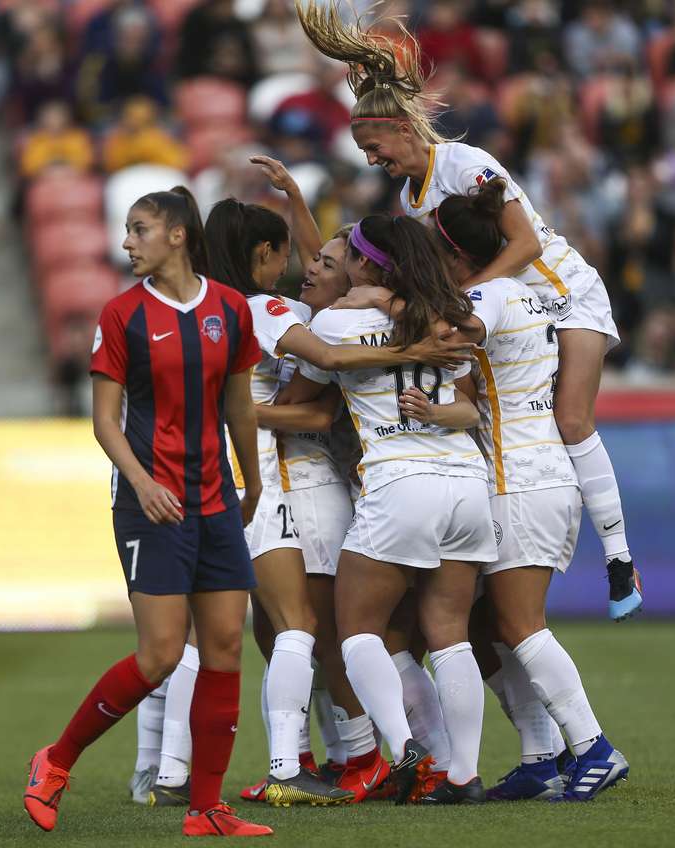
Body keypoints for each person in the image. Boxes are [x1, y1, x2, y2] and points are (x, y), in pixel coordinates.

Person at [295, 0, 642, 620]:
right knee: (488, 412)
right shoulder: (409, 197)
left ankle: (618, 557)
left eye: (375, 147)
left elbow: (527, 244)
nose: (373, 160)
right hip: (507, 304)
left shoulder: (467, 164)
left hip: (562, 291)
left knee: (570, 420)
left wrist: (472, 297)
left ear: (403, 129)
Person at [176, 181, 472, 808]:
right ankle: (350, 758)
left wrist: (240, 414)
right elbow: (335, 284)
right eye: (292, 255)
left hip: (301, 484)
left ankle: (353, 756)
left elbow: (316, 403)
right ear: (262, 253)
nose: (304, 267)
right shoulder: (292, 314)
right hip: (319, 480)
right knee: (303, 633)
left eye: (321, 263)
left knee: (314, 632)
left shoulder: (248, 314)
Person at [22, 186, 273, 837]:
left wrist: (252, 479)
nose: (127, 241)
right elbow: (105, 423)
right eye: (126, 231)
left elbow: (239, 404)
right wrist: (140, 483)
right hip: (150, 505)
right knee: (162, 653)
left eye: (138, 229)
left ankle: (206, 809)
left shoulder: (229, 309)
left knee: (223, 647)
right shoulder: (121, 315)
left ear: (178, 235)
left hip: (215, 498)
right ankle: (55, 761)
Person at [282, 213, 498, 804]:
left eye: (346, 254)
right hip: (466, 480)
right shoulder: (444, 314)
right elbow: (466, 390)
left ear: (364, 262)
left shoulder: (337, 319)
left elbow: (310, 382)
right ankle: (463, 775)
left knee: (355, 631)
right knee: (450, 635)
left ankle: (403, 749)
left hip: (400, 480)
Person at [428, 178, 631, 802]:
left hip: (522, 479)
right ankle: (540, 755)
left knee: (519, 621)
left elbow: (460, 334)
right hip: (528, 474)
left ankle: (593, 747)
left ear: (457, 255)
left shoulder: (486, 293)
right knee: (488, 620)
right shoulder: (522, 292)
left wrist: (369, 344)